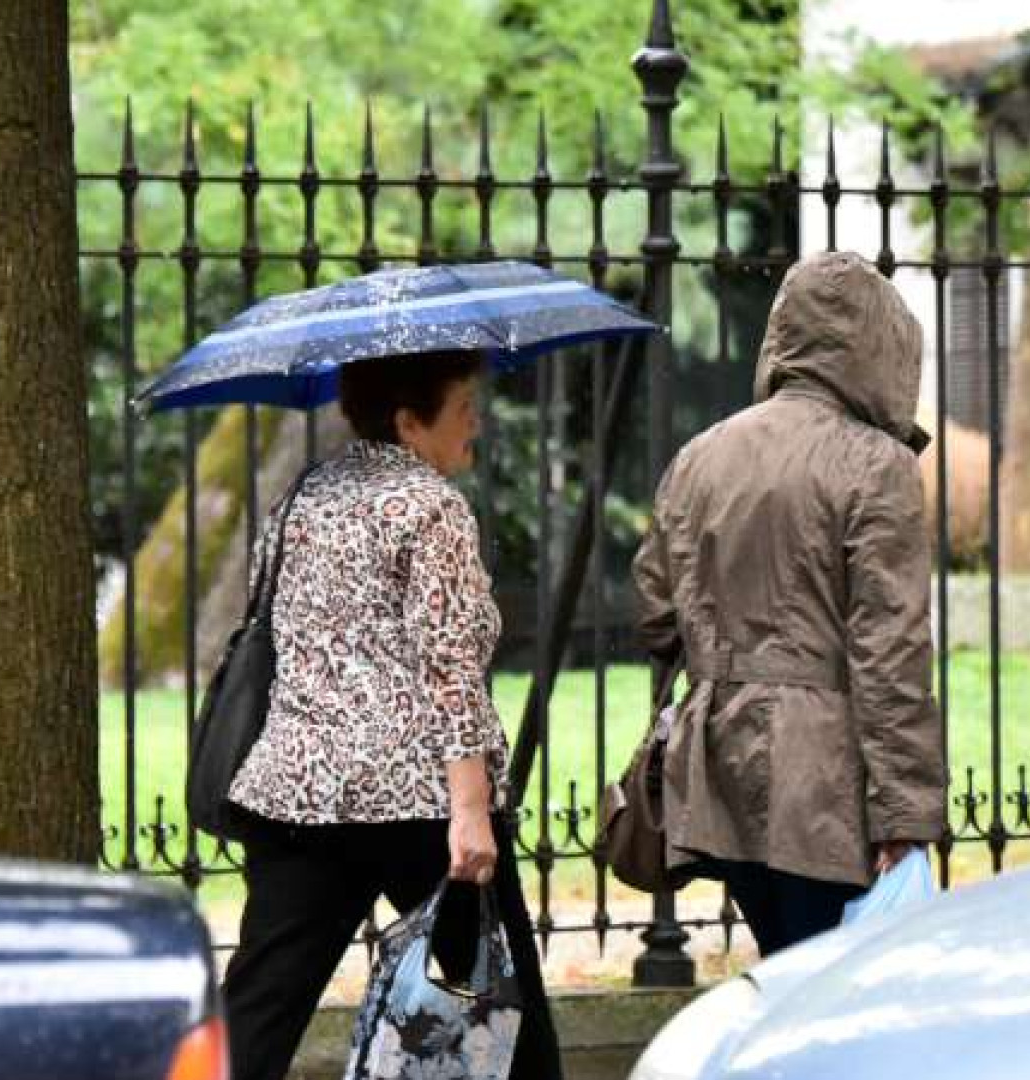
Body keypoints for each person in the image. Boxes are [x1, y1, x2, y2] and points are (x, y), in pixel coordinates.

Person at [220, 349, 561, 1080]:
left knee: (257, 1011)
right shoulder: (431, 505)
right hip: (420, 804)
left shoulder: (301, 496)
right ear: (411, 421)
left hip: (298, 795)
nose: (477, 423)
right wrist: (471, 808)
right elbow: (451, 666)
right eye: (464, 407)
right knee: (505, 1008)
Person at [633, 251, 949, 957]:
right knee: (838, 1002)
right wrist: (905, 812)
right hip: (825, 788)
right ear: (882, 345)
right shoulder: (877, 464)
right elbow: (890, 652)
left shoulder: (701, 456)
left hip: (718, 772)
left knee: (788, 970)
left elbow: (655, 611)